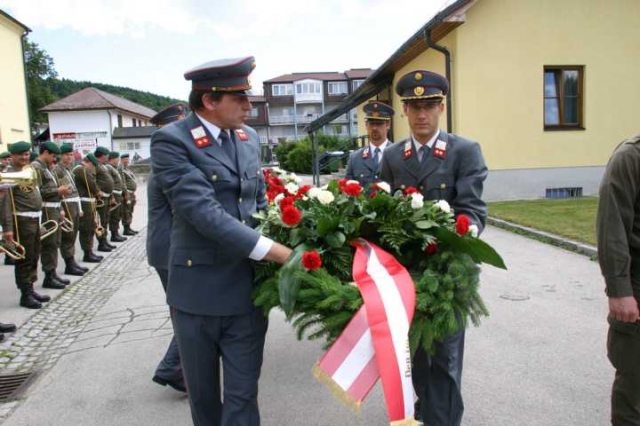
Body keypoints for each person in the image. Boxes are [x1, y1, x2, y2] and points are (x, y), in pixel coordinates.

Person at [151, 56, 292, 426]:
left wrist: (291, 233)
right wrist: (276, 252)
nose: (249, 105)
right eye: (239, 98)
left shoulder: (247, 139)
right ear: (210, 100)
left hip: (246, 293)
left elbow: (258, 202)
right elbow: (203, 212)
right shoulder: (172, 140)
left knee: (243, 397)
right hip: (198, 293)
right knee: (205, 401)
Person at [380, 70, 488, 426]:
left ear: (441, 107)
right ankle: (429, 414)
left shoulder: (464, 151)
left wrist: (465, 232)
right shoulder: (395, 156)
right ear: (404, 111)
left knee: (445, 359)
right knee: (416, 358)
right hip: (407, 278)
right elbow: (383, 213)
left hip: (448, 277)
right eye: (414, 106)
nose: (421, 114)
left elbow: (472, 210)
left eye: (428, 106)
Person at [596, 133, 640, 426]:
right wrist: (619, 289)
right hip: (636, 289)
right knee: (634, 390)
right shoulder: (630, 158)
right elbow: (612, 225)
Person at [147, 102, 188, 393]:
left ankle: (177, 367)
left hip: (168, 248)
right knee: (188, 312)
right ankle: (173, 369)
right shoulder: (168, 164)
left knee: (185, 311)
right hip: (172, 250)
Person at [1, 141, 52, 309]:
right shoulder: (8, 174)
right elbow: (6, 204)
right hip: (21, 221)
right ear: (12, 156)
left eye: (27, 154)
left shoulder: (27, 170)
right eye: (21, 155)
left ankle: (30, 287)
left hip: (33, 219)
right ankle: (25, 293)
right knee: (25, 259)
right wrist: (7, 229)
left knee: (34, 255)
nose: (25, 157)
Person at [32, 141, 71, 289]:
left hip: (54, 209)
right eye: (53, 156)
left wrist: (60, 206)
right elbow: (37, 192)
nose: (55, 159)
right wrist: (57, 192)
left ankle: (52, 273)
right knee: (48, 244)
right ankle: (48, 275)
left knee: (55, 242)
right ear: (46, 153)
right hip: (46, 210)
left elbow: (53, 189)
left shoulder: (46, 168)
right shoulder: (36, 168)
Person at [54, 143, 88, 276]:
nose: (70, 157)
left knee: (73, 234)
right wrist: (61, 207)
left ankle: (72, 261)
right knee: (67, 236)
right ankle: (69, 263)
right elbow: (59, 190)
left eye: (71, 154)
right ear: (61, 156)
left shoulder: (68, 169)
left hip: (74, 203)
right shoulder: (58, 170)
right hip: (66, 203)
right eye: (67, 155)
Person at [345, 100, 394, 187]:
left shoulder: (397, 155)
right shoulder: (355, 158)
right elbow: (348, 191)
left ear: (388, 125)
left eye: (379, 124)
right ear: (366, 125)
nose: (374, 128)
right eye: (371, 123)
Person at [73, 154, 103, 263]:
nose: (93, 168)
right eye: (93, 165)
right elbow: (91, 184)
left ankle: (89, 251)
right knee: (86, 228)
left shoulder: (83, 169)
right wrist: (98, 192)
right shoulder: (81, 169)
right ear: (89, 162)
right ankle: (87, 253)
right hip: (84, 202)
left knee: (91, 226)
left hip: (88, 201)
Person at [94, 147, 116, 252]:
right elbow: (92, 181)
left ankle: (105, 241)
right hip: (101, 198)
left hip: (107, 196)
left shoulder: (102, 166)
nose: (108, 157)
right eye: (106, 155)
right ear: (102, 156)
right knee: (101, 221)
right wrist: (97, 192)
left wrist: (111, 195)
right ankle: (101, 243)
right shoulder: (95, 166)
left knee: (105, 220)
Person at [106, 151, 127, 243]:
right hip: (114, 193)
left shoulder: (115, 168)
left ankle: (116, 233)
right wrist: (112, 196)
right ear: (112, 159)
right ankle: (114, 234)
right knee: (114, 215)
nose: (118, 160)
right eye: (117, 158)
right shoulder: (109, 168)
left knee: (118, 214)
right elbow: (109, 183)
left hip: (119, 193)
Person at [119, 153, 138, 236]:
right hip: (128, 193)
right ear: (122, 160)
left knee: (130, 210)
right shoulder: (121, 169)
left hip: (132, 193)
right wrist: (126, 193)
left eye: (128, 159)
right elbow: (122, 182)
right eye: (125, 159)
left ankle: (129, 227)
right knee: (126, 211)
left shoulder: (127, 169)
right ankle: (126, 229)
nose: (127, 161)